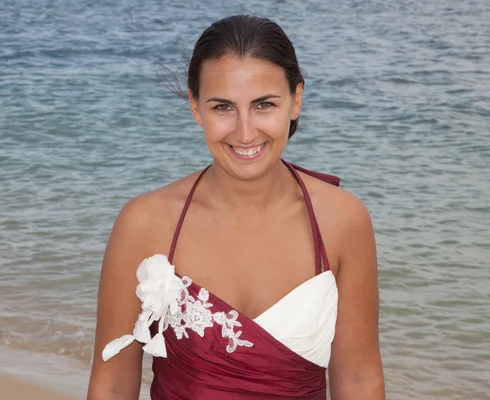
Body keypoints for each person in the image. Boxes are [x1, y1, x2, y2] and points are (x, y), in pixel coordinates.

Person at [87, 15, 384, 400]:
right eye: (223, 107)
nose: (245, 133)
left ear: (296, 100)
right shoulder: (145, 224)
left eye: (264, 105)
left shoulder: (342, 221)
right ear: (195, 107)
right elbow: (111, 385)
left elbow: (359, 380)